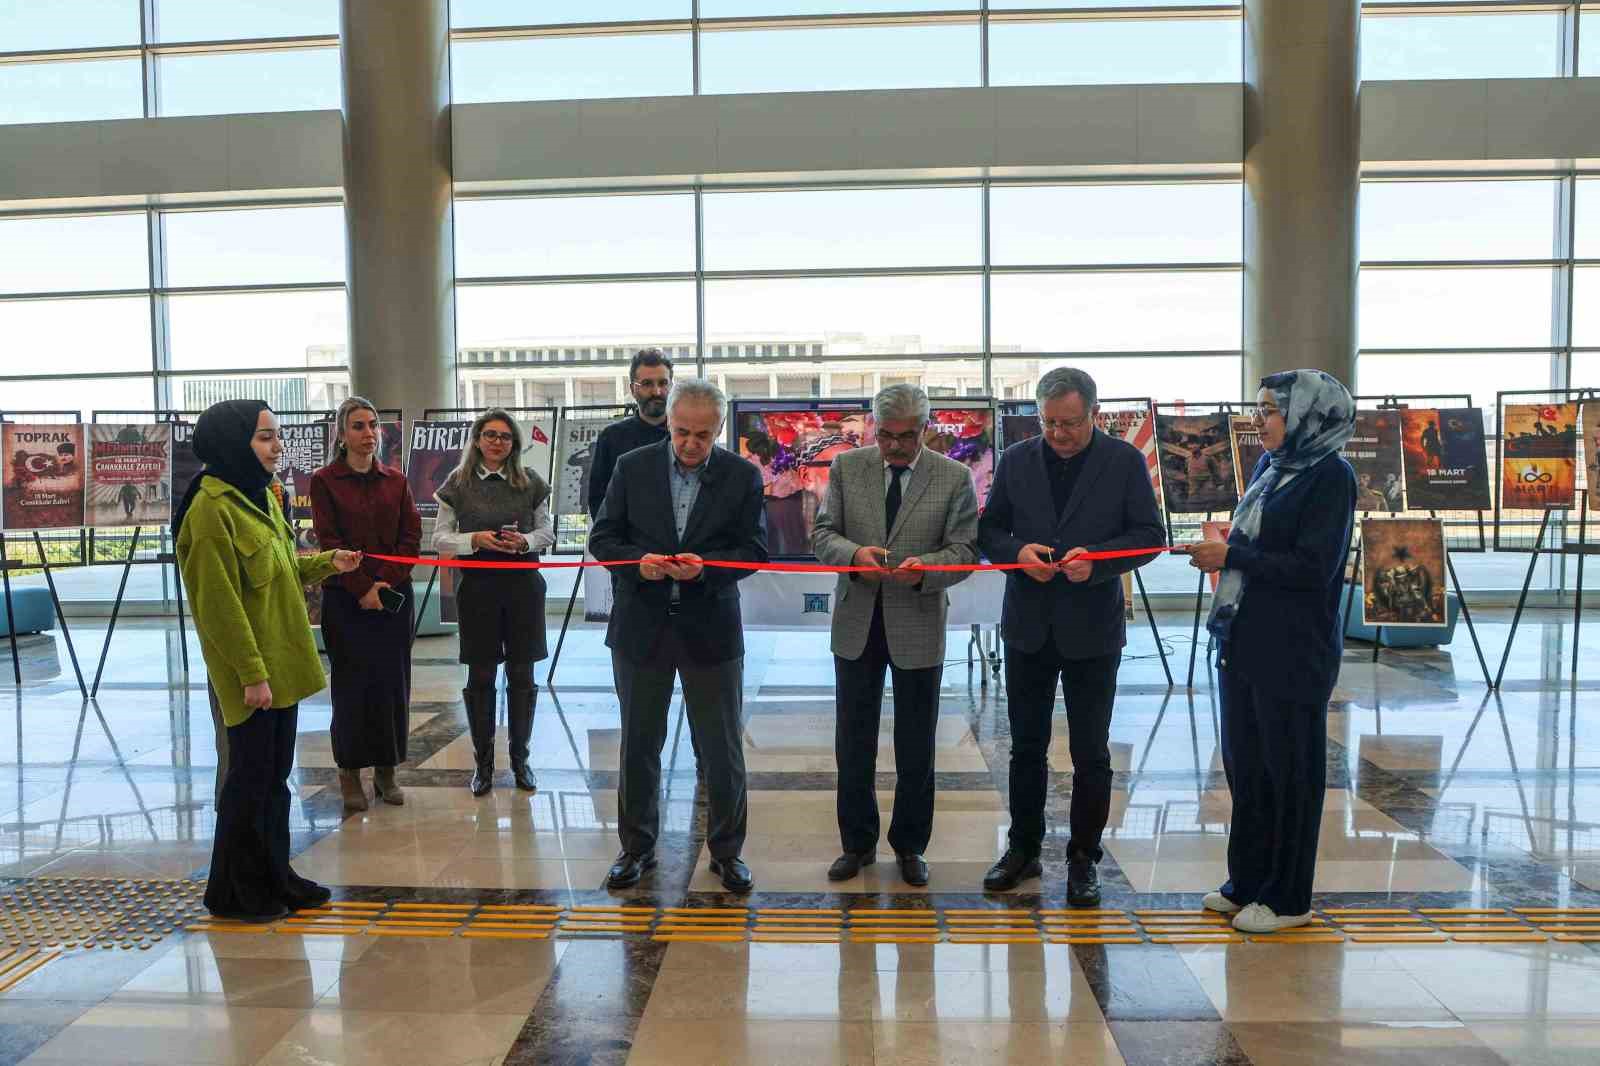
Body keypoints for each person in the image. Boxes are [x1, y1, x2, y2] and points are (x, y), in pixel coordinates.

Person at [977, 367, 1165, 904]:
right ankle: (1023, 849)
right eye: (1049, 423)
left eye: (1070, 423)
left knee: (1091, 751)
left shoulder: (1123, 461)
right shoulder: (1017, 460)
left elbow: (1149, 535)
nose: (1058, 433)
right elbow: (990, 529)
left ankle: (1084, 858)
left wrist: (1099, 562)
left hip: (1092, 628)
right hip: (1029, 625)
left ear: (1094, 415)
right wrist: (1018, 554)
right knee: (1025, 746)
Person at [1179, 369, 1358, 934]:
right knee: (1248, 767)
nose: (1258, 421)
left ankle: (1287, 898)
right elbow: (1252, 543)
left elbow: (1312, 568)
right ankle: (1248, 882)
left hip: (1293, 647)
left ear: (1307, 416)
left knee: (1290, 774)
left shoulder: (1331, 476)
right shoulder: (1271, 467)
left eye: (1270, 411)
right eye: (1257, 410)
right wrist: (1225, 551)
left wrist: (1230, 557)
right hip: (1244, 637)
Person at [174, 400, 362, 921]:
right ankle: (236, 892)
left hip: (282, 663)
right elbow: (218, 607)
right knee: (248, 781)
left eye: (276, 435)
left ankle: (276, 875)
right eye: (265, 437)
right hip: (251, 673)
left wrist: (328, 563)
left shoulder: (258, 495)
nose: (278, 446)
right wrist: (251, 674)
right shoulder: (210, 511)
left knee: (274, 779)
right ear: (234, 444)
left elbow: (280, 569)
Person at [588, 378, 767, 894]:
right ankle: (636, 849)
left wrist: (706, 569)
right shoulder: (633, 467)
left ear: (720, 429)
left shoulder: (741, 475)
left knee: (721, 749)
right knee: (639, 744)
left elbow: (754, 550)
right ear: (668, 423)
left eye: (703, 435)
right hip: (641, 627)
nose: (690, 444)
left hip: (710, 628)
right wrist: (637, 564)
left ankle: (727, 853)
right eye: (682, 432)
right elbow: (604, 537)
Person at [811, 384, 979, 887]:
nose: (894, 446)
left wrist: (925, 568)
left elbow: (965, 551)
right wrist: (853, 556)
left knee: (916, 745)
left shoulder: (954, 477)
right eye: (885, 435)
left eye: (906, 437)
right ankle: (857, 844)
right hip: (857, 624)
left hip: (918, 621)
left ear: (925, 428)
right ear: (872, 428)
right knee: (853, 742)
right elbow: (823, 534)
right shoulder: (847, 467)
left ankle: (910, 846)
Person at [432, 409, 554, 796]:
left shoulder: (530, 481)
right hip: (478, 590)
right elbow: (439, 538)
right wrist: (474, 540)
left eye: (505, 436)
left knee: (522, 674)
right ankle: (483, 765)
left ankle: (520, 761)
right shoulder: (457, 482)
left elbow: (547, 532)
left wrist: (525, 542)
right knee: (481, 675)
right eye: (490, 435)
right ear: (477, 440)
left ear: (514, 443)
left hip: (523, 588)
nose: (497, 442)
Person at [310, 396, 423, 812]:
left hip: (393, 597)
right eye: (358, 426)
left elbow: (411, 538)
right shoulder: (325, 481)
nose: (369, 433)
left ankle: (387, 769)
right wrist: (362, 589)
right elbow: (329, 540)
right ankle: (349, 771)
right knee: (352, 686)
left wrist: (384, 583)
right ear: (342, 434)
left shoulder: (396, 480)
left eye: (373, 425)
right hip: (346, 598)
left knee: (392, 684)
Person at [586, 348, 673, 521]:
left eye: (663, 383)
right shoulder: (611, 438)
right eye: (647, 384)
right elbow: (598, 499)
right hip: (627, 536)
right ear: (633, 389)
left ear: (671, 386)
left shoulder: (685, 436)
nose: (656, 391)